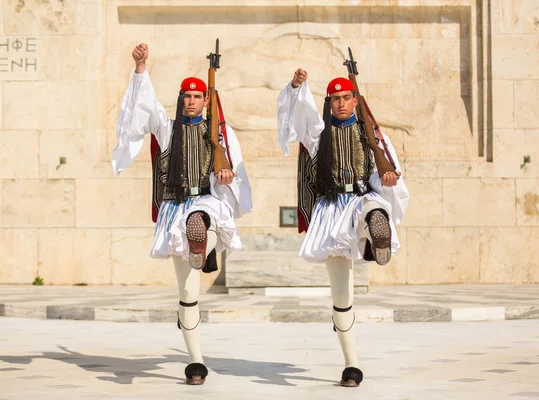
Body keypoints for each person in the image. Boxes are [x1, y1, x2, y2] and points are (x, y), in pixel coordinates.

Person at [112, 43, 252, 385]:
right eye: (186, 96)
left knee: (200, 219)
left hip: (207, 204)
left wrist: (226, 174)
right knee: (188, 295)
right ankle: (195, 361)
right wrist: (142, 67)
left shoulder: (219, 134)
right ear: (181, 99)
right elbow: (144, 106)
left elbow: (236, 172)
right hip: (176, 209)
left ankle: (202, 243)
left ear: (207, 101)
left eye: (197, 96)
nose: (191, 101)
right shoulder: (168, 128)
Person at [277, 68, 409, 387]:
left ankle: (371, 235)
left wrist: (389, 178)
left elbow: (387, 170)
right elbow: (299, 115)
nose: (340, 104)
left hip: (361, 198)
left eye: (345, 98)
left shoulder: (372, 135)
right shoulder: (318, 134)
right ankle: (352, 365)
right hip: (331, 212)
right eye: (334, 99)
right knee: (341, 297)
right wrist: (296, 88)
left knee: (374, 207)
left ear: (354, 100)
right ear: (330, 103)